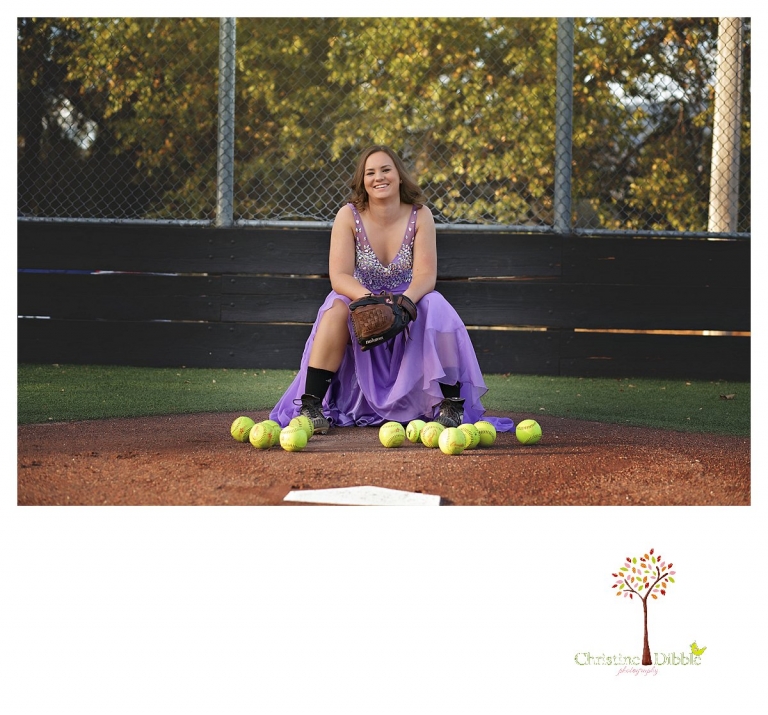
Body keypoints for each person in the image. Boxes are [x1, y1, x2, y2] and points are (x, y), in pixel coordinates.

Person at [269, 144, 514, 435]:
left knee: (436, 305)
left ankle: (451, 406)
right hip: (363, 303)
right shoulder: (348, 215)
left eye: (385, 169)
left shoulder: (420, 215)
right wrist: (369, 301)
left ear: (399, 176)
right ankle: (311, 408)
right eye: (370, 173)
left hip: (405, 303)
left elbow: (426, 275)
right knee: (336, 305)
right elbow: (339, 275)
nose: (378, 177)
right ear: (363, 182)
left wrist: (403, 304)